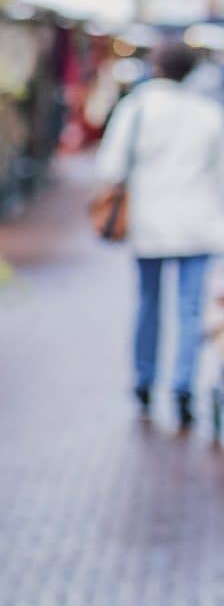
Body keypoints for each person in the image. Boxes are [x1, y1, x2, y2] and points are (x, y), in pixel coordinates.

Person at [96, 42, 224, 429]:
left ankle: (144, 381)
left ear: (156, 66)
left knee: (149, 302)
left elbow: (111, 166)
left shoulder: (136, 108)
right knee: (190, 308)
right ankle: (183, 385)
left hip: (149, 222)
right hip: (198, 224)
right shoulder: (208, 112)